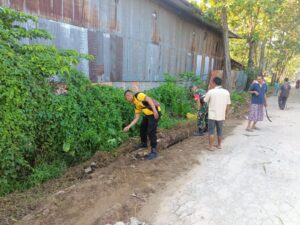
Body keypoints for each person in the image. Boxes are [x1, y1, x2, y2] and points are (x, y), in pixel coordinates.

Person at [123, 90, 161, 160]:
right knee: (142, 128)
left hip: (155, 113)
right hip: (148, 115)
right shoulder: (135, 104)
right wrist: (128, 126)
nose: (126, 100)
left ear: (129, 95)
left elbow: (149, 99)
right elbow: (136, 118)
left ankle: (154, 151)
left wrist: (155, 111)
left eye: (126, 98)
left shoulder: (138, 95)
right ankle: (144, 143)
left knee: (151, 131)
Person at [204, 77, 231, 151]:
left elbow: (205, 100)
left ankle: (211, 146)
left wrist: (209, 89)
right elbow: (228, 104)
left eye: (212, 82)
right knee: (220, 130)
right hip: (221, 115)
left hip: (212, 115)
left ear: (214, 83)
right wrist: (226, 114)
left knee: (211, 131)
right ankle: (219, 145)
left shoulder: (211, 92)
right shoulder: (226, 92)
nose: (211, 83)